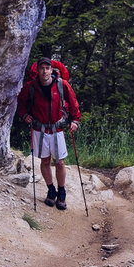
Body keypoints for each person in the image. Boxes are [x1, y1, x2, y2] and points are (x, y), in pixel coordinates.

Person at [17, 57, 81, 210]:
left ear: (52, 70)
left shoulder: (62, 85)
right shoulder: (31, 86)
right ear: (38, 70)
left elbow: (73, 102)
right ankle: (51, 190)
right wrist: (25, 115)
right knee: (45, 161)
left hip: (57, 129)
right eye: (42, 68)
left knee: (59, 162)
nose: (44, 71)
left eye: (47, 68)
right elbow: (21, 102)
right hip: (39, 129)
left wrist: (75, 121)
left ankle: (62, 191)